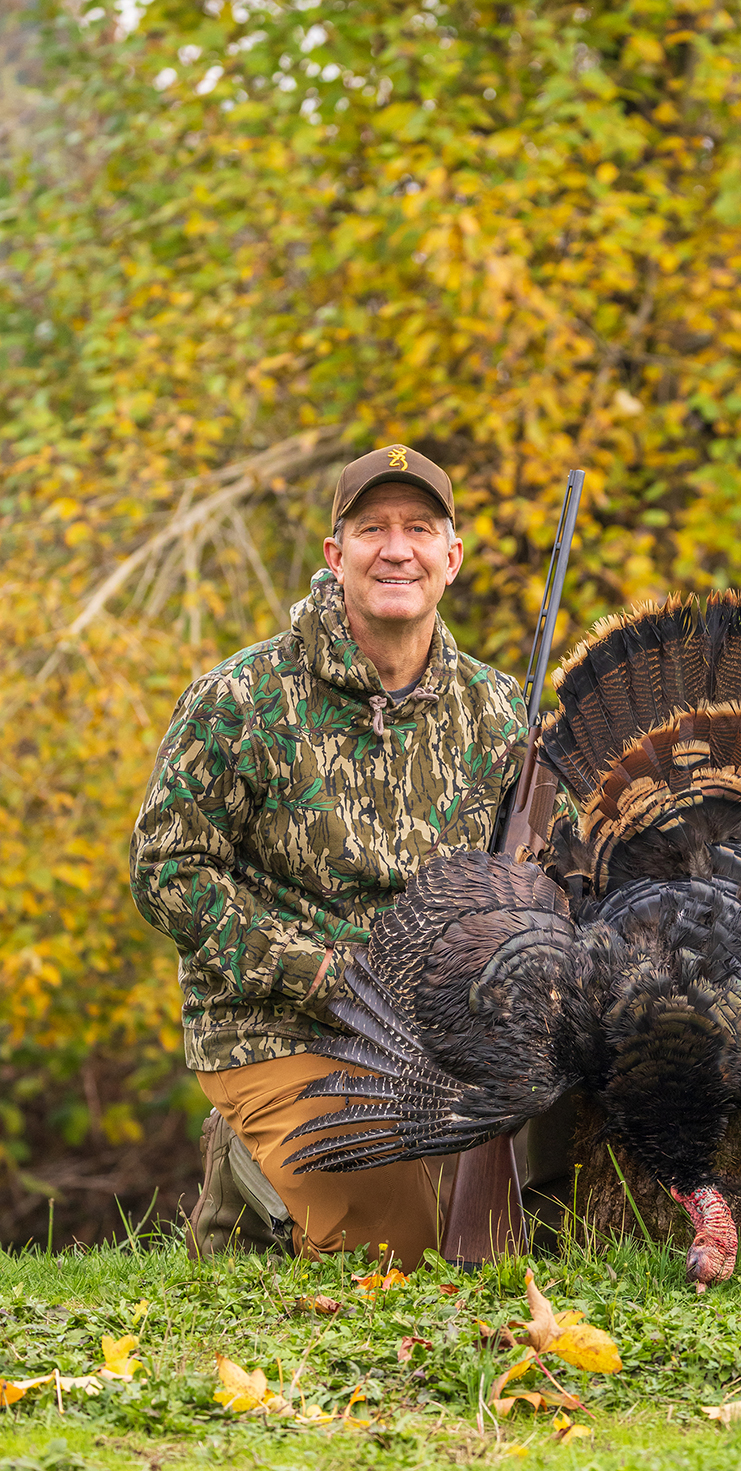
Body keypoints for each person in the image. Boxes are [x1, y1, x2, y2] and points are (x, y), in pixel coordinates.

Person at [130, 444, 527, 1268]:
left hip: (441, 1037)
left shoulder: (499, 712)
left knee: (533, 1221)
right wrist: (318, 976)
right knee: (404, 1254)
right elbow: (167, 867)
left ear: (450, 558)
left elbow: (537, 876)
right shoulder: (242, 698)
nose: (396, 547)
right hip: (280, 1027)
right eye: (371, 527)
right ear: (334, 554)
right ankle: (243, 1172)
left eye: (419, 528)